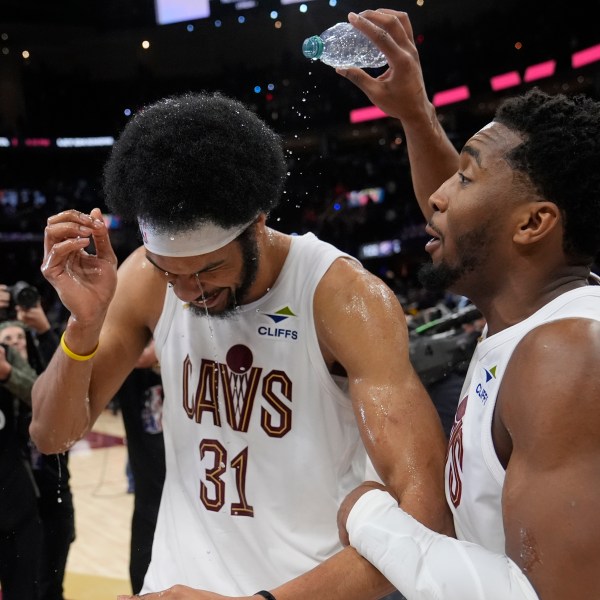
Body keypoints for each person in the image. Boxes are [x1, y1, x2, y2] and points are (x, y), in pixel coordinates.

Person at [30, 91, 453, 599]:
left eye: (208, 269)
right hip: (175, 583)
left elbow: (426, 514)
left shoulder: (343, 299)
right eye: (172, 273)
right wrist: (84, 321)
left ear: (258, 222)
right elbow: (51, 435)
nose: (188, 293)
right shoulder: (142, 277)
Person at [333, 9, 600, 600]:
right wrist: (414, 113)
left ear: (533, 224)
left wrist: (371, 518)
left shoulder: (566, 357)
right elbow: (470, 223)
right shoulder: (530, 319)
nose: (436, 198)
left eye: (466, 179)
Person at [0, 315, 75, 600]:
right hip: (21, 497)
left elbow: (47, 391)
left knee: (50, 579)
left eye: (19, 338)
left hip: (53, 492)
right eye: (6, 340)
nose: (14, 344)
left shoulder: (41, 376)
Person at [113, 339, 166, 594]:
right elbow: (136, 356)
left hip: (193, 492)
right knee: (143, 569)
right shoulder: (132, 375)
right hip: (151, 495)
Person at [0, 321, 42, 600]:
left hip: (12, 489)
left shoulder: (5, 354)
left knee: (24, 582)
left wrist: (6, 374)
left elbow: (41, 396)